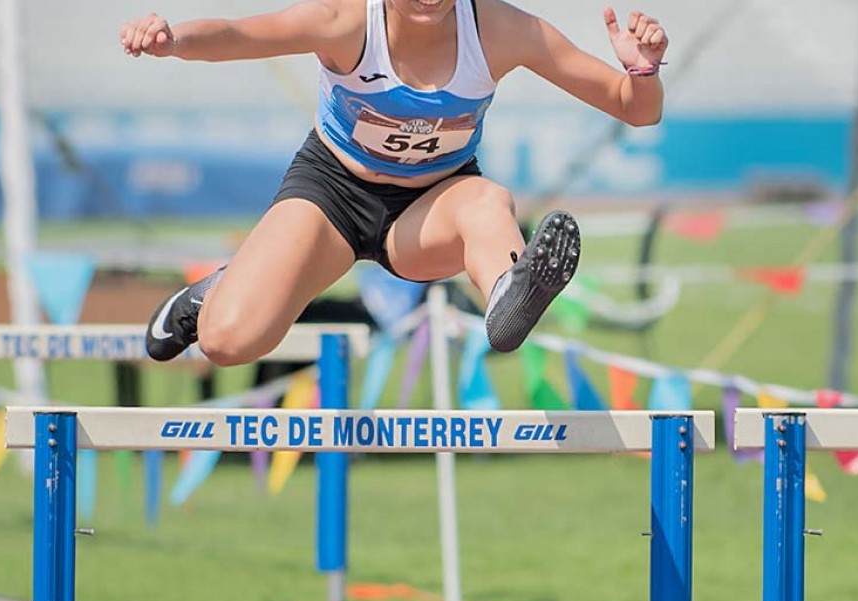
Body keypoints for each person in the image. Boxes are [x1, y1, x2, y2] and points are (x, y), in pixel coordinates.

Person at [123, 0, 667, 365]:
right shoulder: (346, 20)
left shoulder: (502, 29)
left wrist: (643, 71)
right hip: (331, 194)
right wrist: (173, 39)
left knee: (488, 201)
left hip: (433, 205)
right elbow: (240, 35)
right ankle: (219, 289)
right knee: (227, 342)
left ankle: (507, 294)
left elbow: (634, 110)